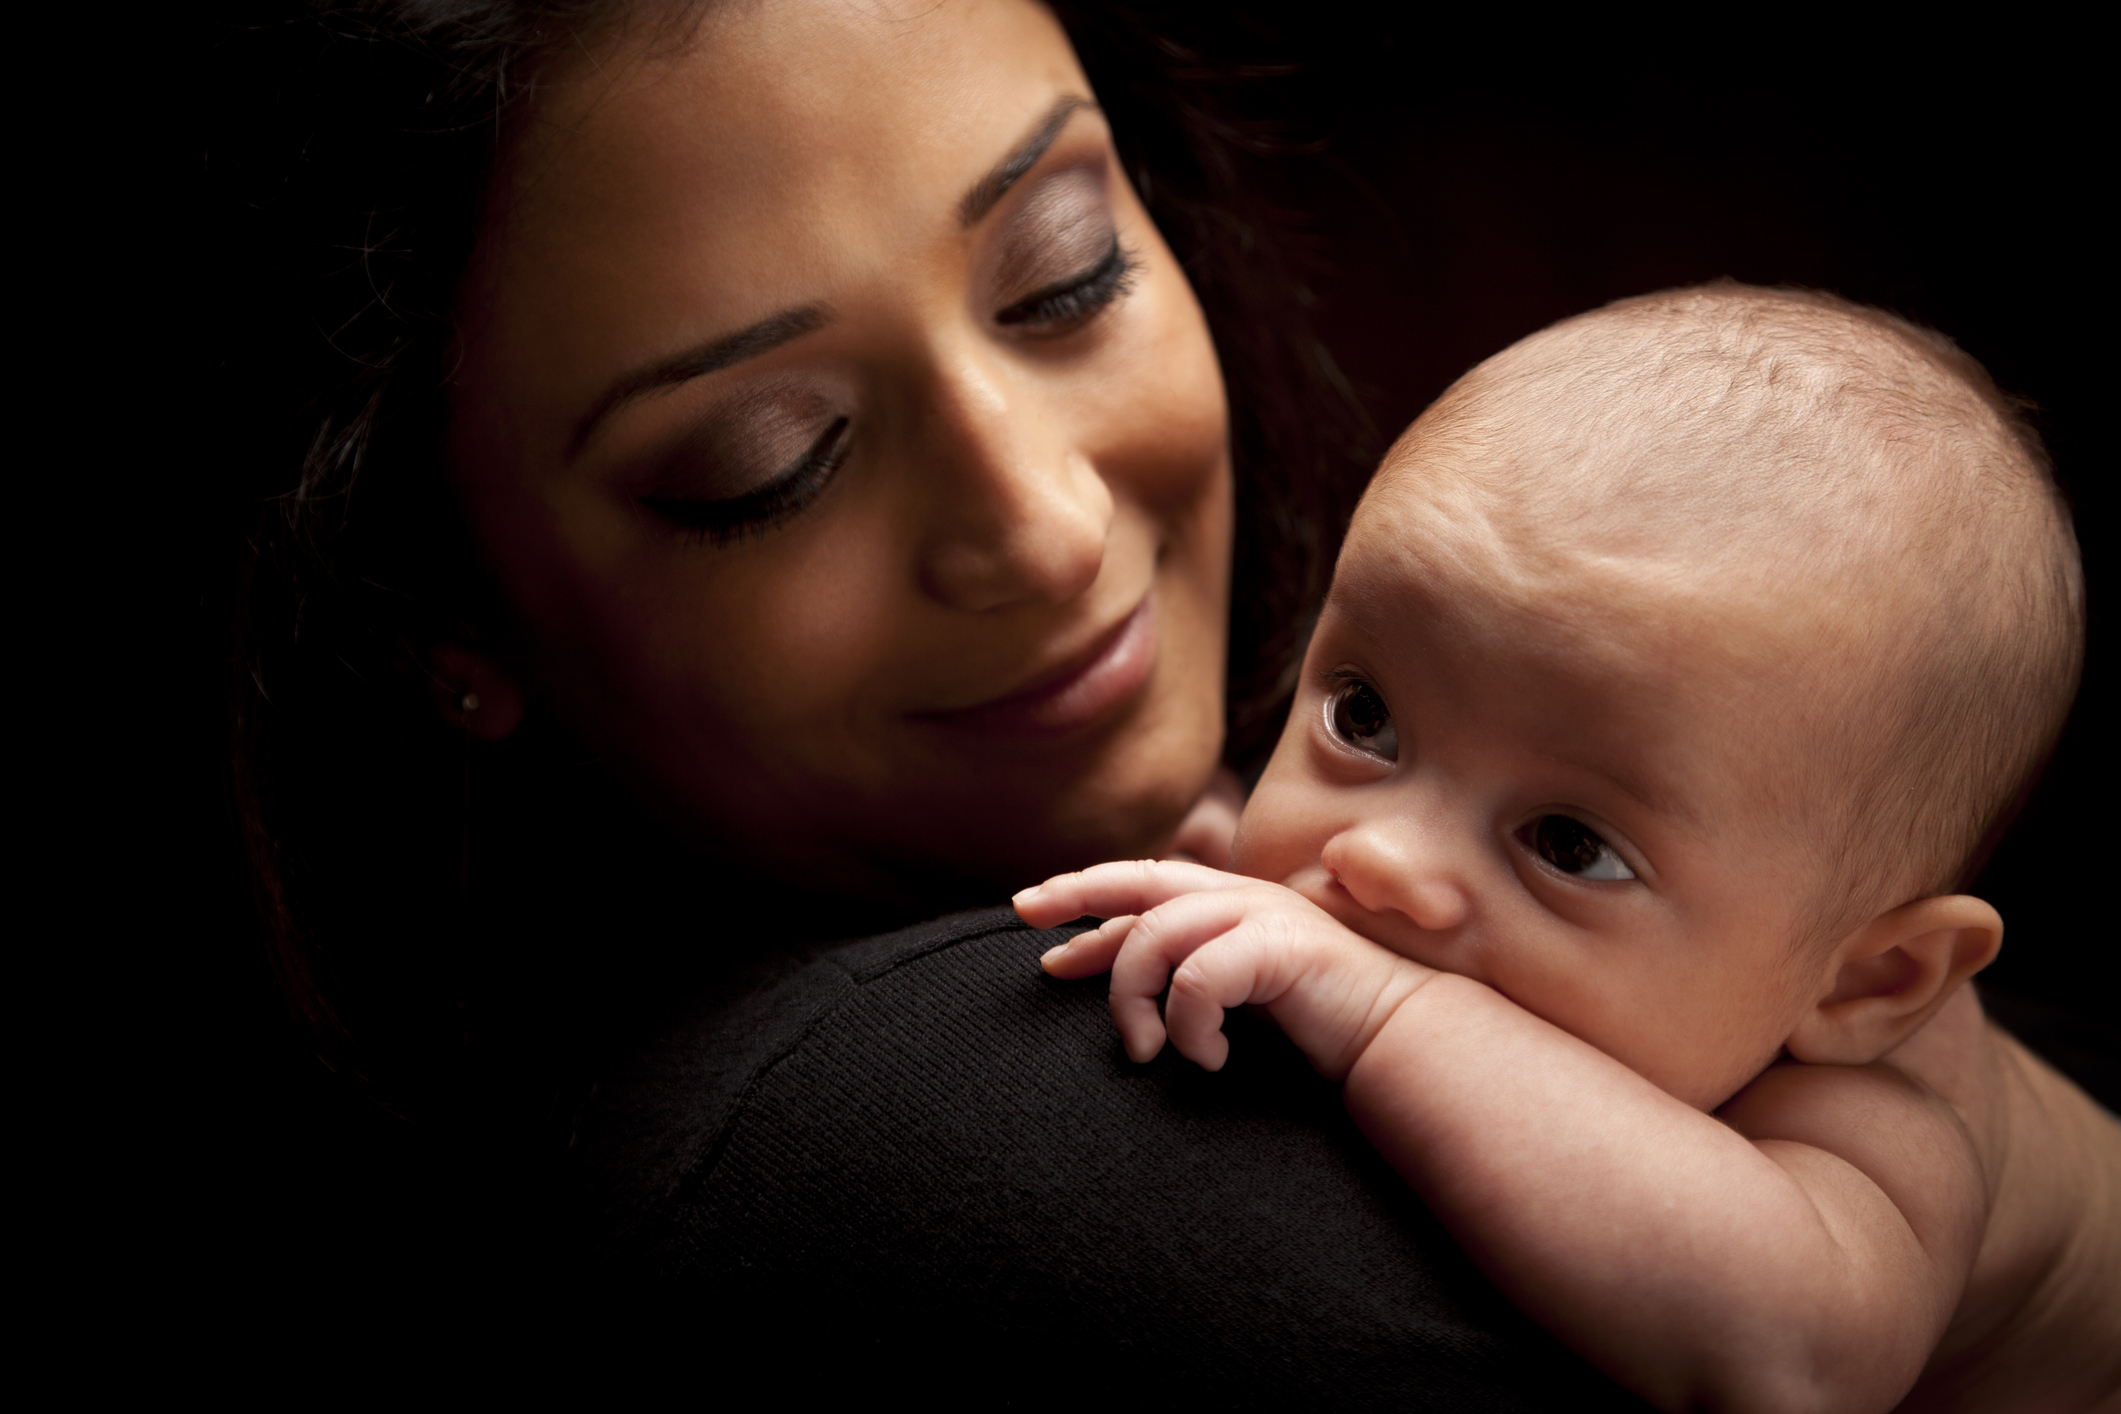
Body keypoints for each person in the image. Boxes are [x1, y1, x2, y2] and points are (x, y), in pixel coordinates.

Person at [219, 0, 1647, 1400]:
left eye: (1064, 274)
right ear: (436, 612)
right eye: (769, 462)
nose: (1045, 528)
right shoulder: (893, 1159)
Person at [1021, 285, 2121, 1411]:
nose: (1377, 860)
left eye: (1566, 843)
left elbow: (1790, 1362)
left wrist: (1383, 1013)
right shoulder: (1709, 898)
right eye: (1365, 718)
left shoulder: (1892, 1106)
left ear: (1869, 978)